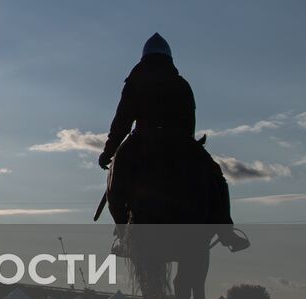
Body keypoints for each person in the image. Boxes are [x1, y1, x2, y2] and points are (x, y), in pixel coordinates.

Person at [98, 33, 248, 251]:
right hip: (179, 142)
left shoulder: (136, 81)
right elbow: (189, 121)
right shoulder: (181, 84)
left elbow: (122, 120)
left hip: (142, 140)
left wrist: (109, 152)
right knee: (216, 177)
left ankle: (124, 236)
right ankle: (226, 230)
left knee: (116, 182)